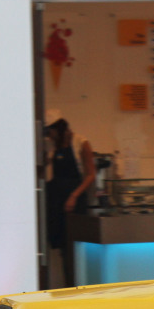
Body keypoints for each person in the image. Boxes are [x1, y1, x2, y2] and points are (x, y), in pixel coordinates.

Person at [44, 109, 95, 287]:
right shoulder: (51, 146)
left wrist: (74, 196)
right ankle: (66, 286)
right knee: (62, 248)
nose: (49, 136)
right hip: (56, 200)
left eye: (50, 131)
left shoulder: (81, 142)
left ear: (58, 128)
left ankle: (78, 285)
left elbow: (90, 175)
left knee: (75, 247)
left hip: (75, 200)